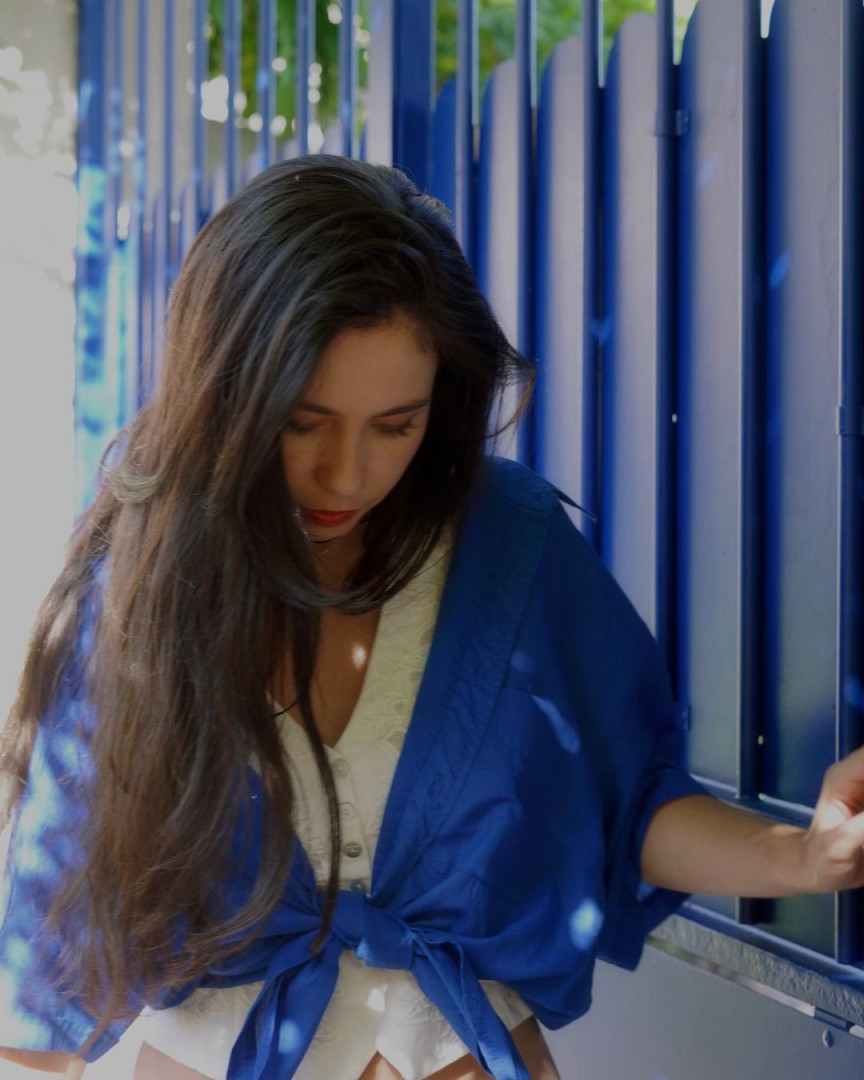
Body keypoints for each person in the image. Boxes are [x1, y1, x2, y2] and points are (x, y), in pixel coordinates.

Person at [1, 155, 863, 1080]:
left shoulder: (511, 547)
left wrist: (805, 857)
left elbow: (625, 809)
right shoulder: (143, 587)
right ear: (227, 396)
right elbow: (55, 943)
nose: (347, 474)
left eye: (395, 425)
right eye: (303, 421)